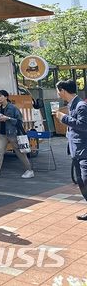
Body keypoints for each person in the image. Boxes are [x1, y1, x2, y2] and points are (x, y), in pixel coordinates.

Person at [54, 79, 87, 220]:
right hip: (77, 151)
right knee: (81, 181)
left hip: (84, 150)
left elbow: (83, 125)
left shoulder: (80, 106)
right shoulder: (72, 104)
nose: (58, 94)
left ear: (63, 90)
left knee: (85, 181)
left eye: (58, 91)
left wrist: (64, 118)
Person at [0, 90, 34, 179]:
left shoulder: (13, 108)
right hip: (3, 133)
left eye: (0, 96)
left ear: (6, 97)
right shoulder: (0, 108)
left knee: (19, 152)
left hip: (13, 133)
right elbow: (1, 119)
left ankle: (29, 170)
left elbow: (19, 121)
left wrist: (7, 118)